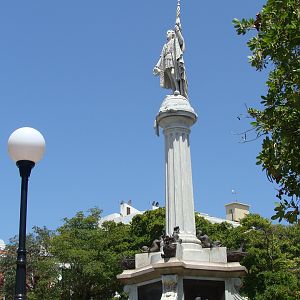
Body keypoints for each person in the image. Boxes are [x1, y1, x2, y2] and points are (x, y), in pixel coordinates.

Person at [153, 20, 188, 99]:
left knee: (173, 73)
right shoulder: (165, 45)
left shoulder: (174, 41)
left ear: (172, 34)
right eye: (166, 33)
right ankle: (174, 91)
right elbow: (161, 57)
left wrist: (177, 30)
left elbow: (181, 41)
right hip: (166, 60)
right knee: (169, 75)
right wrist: (157, 66)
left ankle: (177, 89)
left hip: (172, 60)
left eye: (168, 33)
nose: (167, 34)